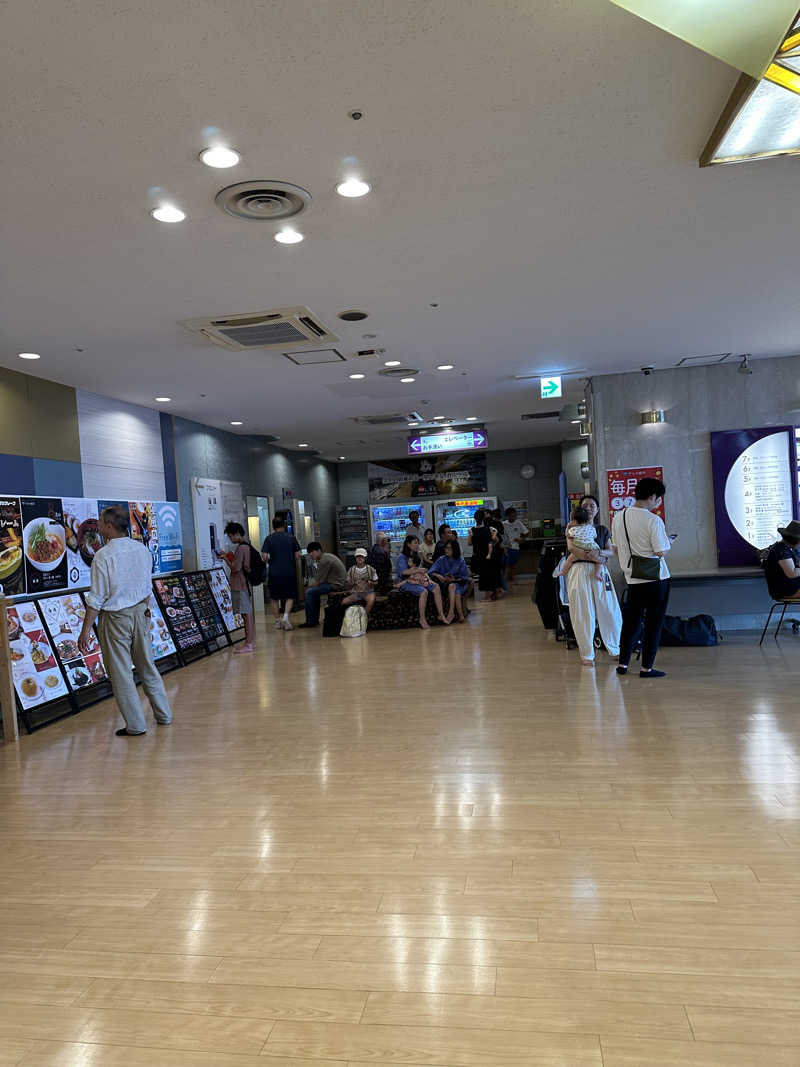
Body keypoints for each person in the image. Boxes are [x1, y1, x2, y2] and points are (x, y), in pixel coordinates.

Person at [77, 505, 172, 737]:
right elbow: (147, 587)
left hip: (115, 618)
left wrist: (85, 630)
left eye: (101, 522)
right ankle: (164, 714)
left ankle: (136, 725)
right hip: (141, 614)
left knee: (121, 673)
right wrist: (144, 612)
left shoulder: (103, 556)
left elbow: (96, 599)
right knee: (147, 666)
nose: (98, 526)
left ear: (109, 527)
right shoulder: (142, 550)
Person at [612, 477, 672, 679]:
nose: (658, 503)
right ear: (653, 496)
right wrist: (669, 541)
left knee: (631, 622)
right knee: (653, 624)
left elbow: (617, 547)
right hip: (656, 578)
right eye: (659, 498)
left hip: (632, 577)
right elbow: (661, 551)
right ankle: (646, 668)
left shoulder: (618, 517)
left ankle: (622, 664)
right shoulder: (653, 520)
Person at [558, 498, 621, 668]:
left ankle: (614, 648)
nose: (589, 508)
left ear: (598, 509)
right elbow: (571, 548)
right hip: (579, 570)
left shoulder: (601, 530)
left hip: (600, 570)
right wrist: (589, 555)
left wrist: (598, 553)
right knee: (582, 611)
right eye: (585, 506)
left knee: (609, 609)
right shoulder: (571, 527)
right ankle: (587, 653)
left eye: (592, 505)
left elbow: (612, 551)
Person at [395, 534, 448, 628]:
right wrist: (418, 570)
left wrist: (429, 579)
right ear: (408, 544)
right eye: (415, 543)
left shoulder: (416, 555)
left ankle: (441, 614)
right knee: (423, 591)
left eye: (418, 543)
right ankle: (422, 619)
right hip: (406, 582)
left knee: (436, 587)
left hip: (418, 579)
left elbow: (420, 570)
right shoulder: (401, 557)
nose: (417, 545)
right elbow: (404, 572)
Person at [221, 522, 257, 653]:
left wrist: (226, 559)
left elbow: (236, 567)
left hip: (240, 584)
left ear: (237, 534)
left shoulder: (241, 548)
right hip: (245, 584)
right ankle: (250, 642)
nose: (230, 539)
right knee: (247, 614)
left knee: (246, 615)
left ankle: (249, 643)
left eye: (231, 536)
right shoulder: (246, 546)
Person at [261, 515, 300, 631]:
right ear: (284, 525)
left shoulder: (269, 539)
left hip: (274, 573)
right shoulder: (291, 538)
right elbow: (297, 555)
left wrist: (271, 560)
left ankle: (278, 621)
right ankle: (286, 617)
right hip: (289, 572)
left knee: (274, 598)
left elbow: (264, 556)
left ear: (273, 526)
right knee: (290, 596)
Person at [299, 542, 347, 628]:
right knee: (313, 592)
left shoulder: (324, 560)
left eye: (312, 552)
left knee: (309, 592)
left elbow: (318, 581)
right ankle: (314, 620)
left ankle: (311, 621)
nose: (311, 555)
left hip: (336, 584)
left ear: (318, 551)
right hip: (335, 582)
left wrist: (305, 587)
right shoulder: (326, 557)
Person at [429, 539, 471, 622]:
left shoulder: (460, 560)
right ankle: (457, 614)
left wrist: (454, 579)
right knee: (453, 587)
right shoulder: (441, 559)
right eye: (446, 548)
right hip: (446, 584)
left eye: (449, 548)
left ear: (454, 549)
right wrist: (439, 575)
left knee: (454, 588)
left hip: (460, 583)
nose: (446, 550)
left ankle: (453, 613)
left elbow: (465, 577)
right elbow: (430, 572)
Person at [561, 506, 604, 583]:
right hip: (592, 547)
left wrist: (568, 527)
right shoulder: (591, 528)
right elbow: (595, 536)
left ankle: (563, 571)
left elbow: (567, 535)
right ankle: (597, 573)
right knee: (599, 561)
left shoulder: (573, 530)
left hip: (579, 547)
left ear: (574, 521)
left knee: (569, 560)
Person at [764, 519, 800, 601]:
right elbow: (792, 573)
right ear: (795, 540)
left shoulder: (787, 549)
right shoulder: (781, 551)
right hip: (787, 591)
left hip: (791, 588)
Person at [342, 547, 378, 614]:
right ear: (355, 558)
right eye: (358, 556)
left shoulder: (370, 569)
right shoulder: (351, 570)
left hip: (368, 592)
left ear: (365, 558)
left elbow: (376, 582)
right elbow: (347, 585)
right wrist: (351, 584)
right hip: (356, 592)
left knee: (371, 601)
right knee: (344, 602)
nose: (359, 558)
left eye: (362, 556)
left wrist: (371, 582)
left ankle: (364, 617)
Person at [480, 522, 505, 600]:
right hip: (496, 558)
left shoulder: (494, 536)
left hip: (494, 558)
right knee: (497, 575)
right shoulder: (498, 537)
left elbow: (492, 542)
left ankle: (493, 594)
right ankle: (498, 592)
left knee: (494, 576)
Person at [503, 507, 527, 583]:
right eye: (512, 515)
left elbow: (526, 532)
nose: (514, 517)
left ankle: (512, 579)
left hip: (516, 547)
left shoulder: (518, 523)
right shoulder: (503, 524)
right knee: (507, 565)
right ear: (507, 516)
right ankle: (504, 581)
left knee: (513, 565)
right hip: (506, 547)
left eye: (515, 515)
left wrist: (521, 539)